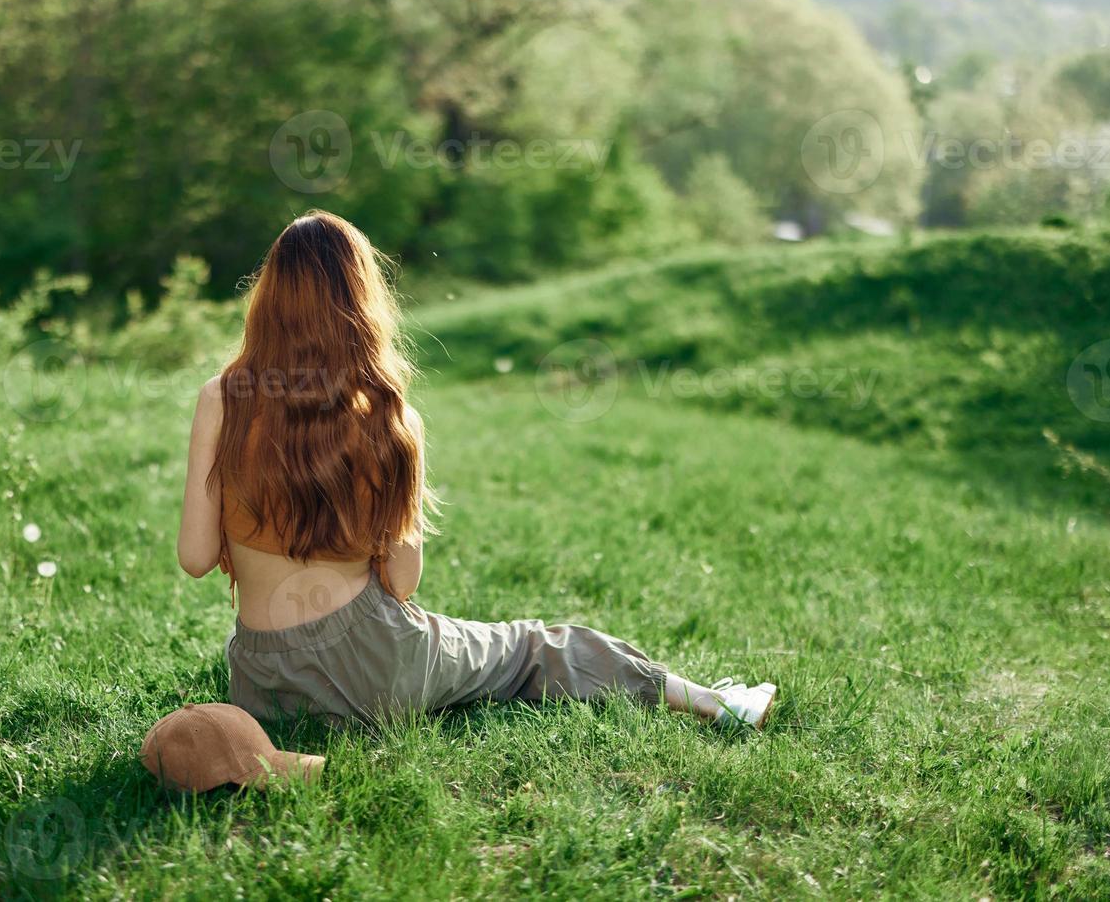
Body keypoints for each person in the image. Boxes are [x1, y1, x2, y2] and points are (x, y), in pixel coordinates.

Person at [177, 210, 777, 730]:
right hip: (378, 672)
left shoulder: (221, 398)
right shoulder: (390, 416)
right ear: (362, 304)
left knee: (259, 645)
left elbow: (196, 557)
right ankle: (713, 701)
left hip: (259, 684)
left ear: (269, 299)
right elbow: (402, 582)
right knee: (535, 647)